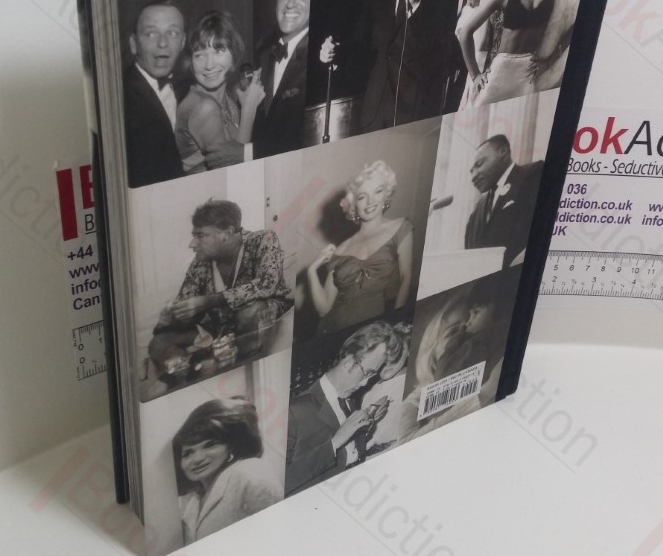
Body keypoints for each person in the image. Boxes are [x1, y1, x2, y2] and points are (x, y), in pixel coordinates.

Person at [321, 0, 446, 132]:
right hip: (373, 115)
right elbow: (362, 46)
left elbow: (438, 54)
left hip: (411, 119)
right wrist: (334, 52)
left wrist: (416, 4)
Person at [149, 200, 293, 377]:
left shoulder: (264, 240)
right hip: (220, 330)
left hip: (262, 317)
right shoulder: (200, 262)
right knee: (159, 343)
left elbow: (267, 284)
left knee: (250, 313)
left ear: (227, 233)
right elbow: (187, 315)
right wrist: (169, 318)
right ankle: (191, 372)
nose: (192, 244)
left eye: (201, 236)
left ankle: (229, 366)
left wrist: (210, 301)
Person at [285, 321, 404, 495]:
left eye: (372, 375)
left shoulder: (350, 400)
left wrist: (369, 419)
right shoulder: (296, 411)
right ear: (348, 361)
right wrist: (334, 443)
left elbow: (351, 452)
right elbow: (280, 486)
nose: (365, 383)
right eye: (367, 373)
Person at [398, 274, 510, 443]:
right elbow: (406, 442)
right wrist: (485, 394)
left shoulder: (481, 360)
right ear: (433, 341)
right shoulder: (413, 403)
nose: (465, 329)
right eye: (454, 330)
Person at [306, 160, 413, 336]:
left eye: (378, 191)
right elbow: (323, 309)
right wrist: (311, 270)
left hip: (372, 332)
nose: (370, 201)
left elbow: (406, 278)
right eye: (362, 197)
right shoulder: (341, 249)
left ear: (386, 194)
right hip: (331, 329)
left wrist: (395, 320)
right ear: (354, 204)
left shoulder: (401, 228)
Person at [173, 398, 282, 545]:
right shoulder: (190, 501)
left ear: (231, 446)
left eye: (210, 445)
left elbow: (278, 534)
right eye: (188, 453)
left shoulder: (249, 473)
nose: (197, 459)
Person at [175, 11, 265, 174]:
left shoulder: (226, 98)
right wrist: (249, 109)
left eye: (219, 50)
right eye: (199, 55)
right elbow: (234, 174)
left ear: (235, 54)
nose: (209, 65)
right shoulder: (203, 107)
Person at [252, 0, 312, 159]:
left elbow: (303, 140)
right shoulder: (264, 55)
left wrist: (245, 153)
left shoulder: (318, 61)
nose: (290, 3)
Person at [123, 0, 186, 187]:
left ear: (183, 42)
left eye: (172, 33)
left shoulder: (189, 88)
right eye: (151, 34)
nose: (163, 43)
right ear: (133, 44)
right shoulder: (118, 98)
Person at [464, 134, 544, 267]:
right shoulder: (477, 210)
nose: (473, 176)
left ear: (503, 152)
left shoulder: (533, 175)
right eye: (471, 172)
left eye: (479, 164)